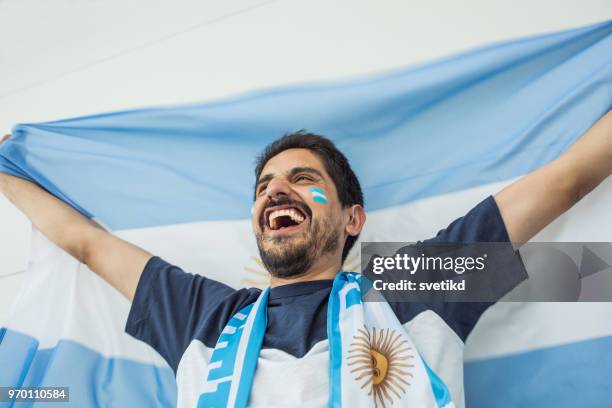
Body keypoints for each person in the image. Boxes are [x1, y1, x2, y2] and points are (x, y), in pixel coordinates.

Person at [0, 109, 610, 407]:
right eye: (264, 186)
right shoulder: (201, 314)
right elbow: (83, 241)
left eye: (301, 178)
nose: (275, 191)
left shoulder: (413, 284)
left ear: (353, 219)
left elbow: (567, 182)